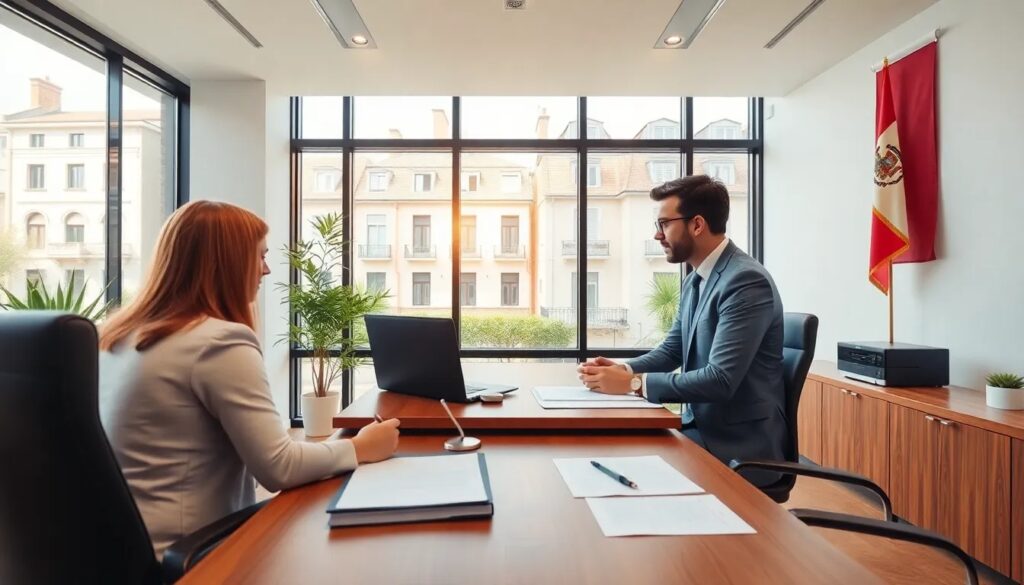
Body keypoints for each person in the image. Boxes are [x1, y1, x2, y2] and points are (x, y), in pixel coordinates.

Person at [98, 200, 400, 558]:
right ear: (227, 262)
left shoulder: (117, 336)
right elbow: (279, 467)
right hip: (191, 557)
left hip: (123, 552)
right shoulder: (217, 341)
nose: (266, 270)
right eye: (260, 256)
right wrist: (361, 447)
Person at [578, 175, 786, 486]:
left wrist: (634, 383)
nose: (657, 234)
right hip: (699, 432)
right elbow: (672, 350)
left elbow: (720, 380)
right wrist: (623, 369)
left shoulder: (745, 282)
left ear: (697, 224)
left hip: (737, 449)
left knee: (626, 469)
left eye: (664, 224)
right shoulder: (696, 279)